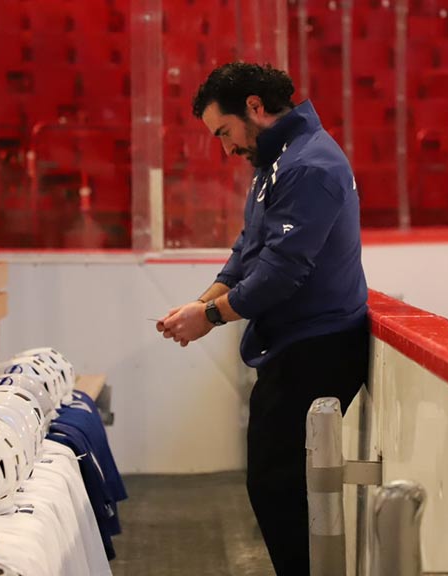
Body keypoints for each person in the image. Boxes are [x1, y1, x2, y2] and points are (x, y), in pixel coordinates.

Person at [155, 62, 369, 575]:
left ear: (255, 107)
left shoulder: (309, 166)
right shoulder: (278, 163)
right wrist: (202, 302)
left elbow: (280, 272)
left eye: (224, 132)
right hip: (295, 346)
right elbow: (249, 250)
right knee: (274, 485)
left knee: (276, 485)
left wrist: (209, 315)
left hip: (320, 348)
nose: (225, 148)